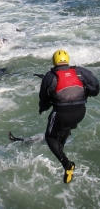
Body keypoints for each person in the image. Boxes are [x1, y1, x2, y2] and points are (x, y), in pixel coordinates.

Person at [39, 50, 99, 184]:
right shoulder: (80, 72)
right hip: (80, 112)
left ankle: (66, 163)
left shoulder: (50, 76)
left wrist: (42, 108)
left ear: (54, 62)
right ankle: (60, 147)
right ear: (67, 60)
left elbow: (43, 98)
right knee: (66, 127)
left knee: (49, 136)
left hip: (61, 114)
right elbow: (95, 88)